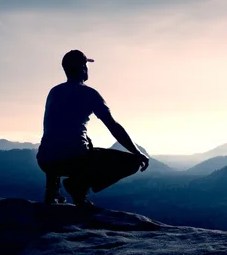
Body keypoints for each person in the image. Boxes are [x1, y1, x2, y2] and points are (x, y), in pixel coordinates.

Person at [37, 49, 150, 206]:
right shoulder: (90, 94)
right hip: (74, 160)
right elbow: (113, 126)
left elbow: (54, 131)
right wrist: (137, 152)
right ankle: (78, 186)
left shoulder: (54, 92)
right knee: (133, 162)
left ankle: (54, 188)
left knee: (66, 143)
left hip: (45, 160)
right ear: (83, 67)